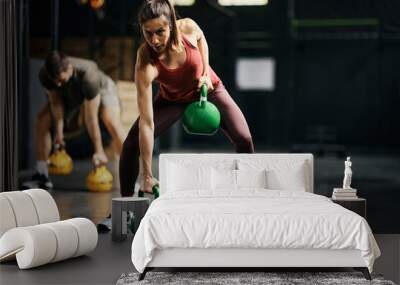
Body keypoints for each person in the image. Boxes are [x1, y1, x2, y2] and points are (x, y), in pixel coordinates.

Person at [119, 0, 254, 197]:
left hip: (209, 89)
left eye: (160, 32)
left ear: (171, 25)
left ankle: (250, 191)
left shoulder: (188, 28)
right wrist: (146, 174)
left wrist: (205, 72)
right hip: (173, 99)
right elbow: (147, 124)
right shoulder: (146, 61)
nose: (154, 40)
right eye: (148, 33)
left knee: (244, 138)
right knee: (131, 143)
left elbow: (201, 39)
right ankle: (125, 205)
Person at [25, 51, 126, 190]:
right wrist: (59, 134)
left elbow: (91, 119)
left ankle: (131, 176)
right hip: (71, 94)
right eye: (55, 81)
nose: (58, 84)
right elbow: (56, 102)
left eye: (61, 80)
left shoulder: (89, 75)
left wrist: (98, 151)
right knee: (42, 121)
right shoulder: (47, 75)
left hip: (101, 88)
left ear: (70, 69)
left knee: (111, 121)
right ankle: (42, 175)